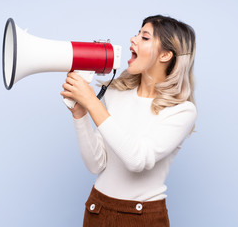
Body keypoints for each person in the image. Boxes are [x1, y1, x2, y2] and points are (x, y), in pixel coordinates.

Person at [60, 15, 197, 227]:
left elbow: (137, 160)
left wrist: (91, 102)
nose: (133, 39)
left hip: (143, 218)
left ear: (165, 55)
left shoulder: (182, 111)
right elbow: (96, 164)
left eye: (144, 37)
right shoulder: (116, 93)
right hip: (98, 209)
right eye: (137, 33)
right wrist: (81, 114)